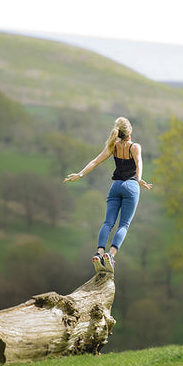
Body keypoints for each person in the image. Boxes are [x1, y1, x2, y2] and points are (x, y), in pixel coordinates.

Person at [64, 117, 152, 273]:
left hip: (115, 186)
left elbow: (95, 161)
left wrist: (80, 174)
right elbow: (139, 163)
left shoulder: (113, 147)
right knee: (124, 224)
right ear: (129, 130)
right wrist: (138, 179)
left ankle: (99, 253)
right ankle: (110, 255)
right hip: (130, 187)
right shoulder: (135, 147)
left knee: (108, 223)